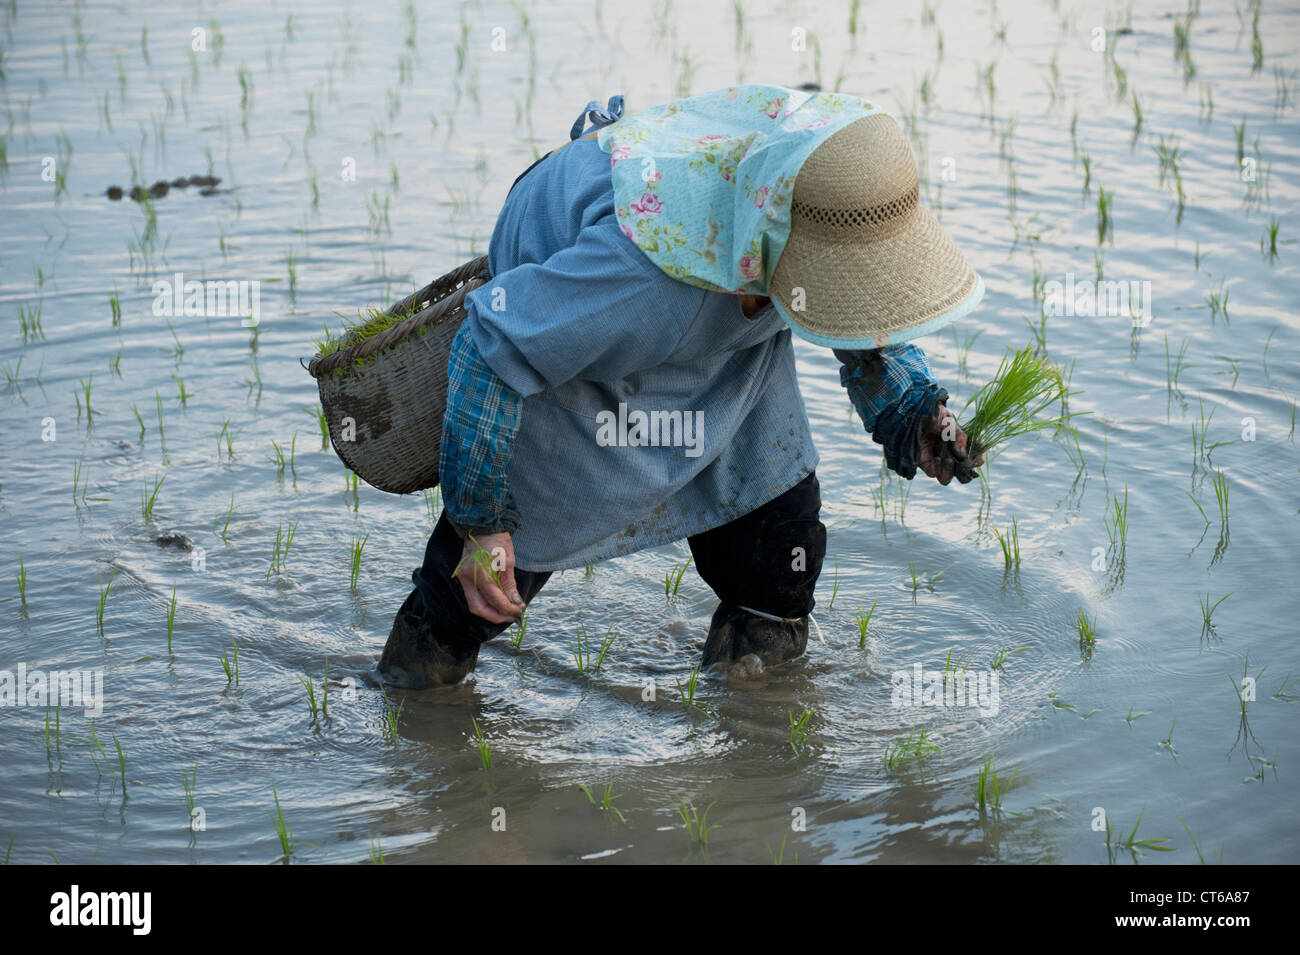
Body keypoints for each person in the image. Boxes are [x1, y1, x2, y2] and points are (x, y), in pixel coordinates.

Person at [379, 84, 986, 689]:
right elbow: (489, 347)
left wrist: (915, 411)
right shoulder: (633, 277)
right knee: (476, 592)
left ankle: (753, 734)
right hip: (592, 319)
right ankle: (416, 703)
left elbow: (857, 295)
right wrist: (481, 524)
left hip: (724, 339)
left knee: (779, 563)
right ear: (775, 250)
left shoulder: (828, 201)